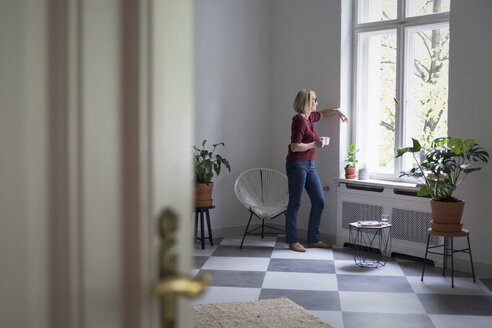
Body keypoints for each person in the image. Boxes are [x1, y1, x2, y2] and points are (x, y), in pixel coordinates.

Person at [285, 89, 349, 252]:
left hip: (309, 164)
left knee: (319, 200)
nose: (317, 102)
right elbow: (294, 146)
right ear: (307, 102)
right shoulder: (299, 120)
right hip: (297, 164)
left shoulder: (310, 118)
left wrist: (337, 111)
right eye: (315, 100)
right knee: (295, 203)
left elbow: (322, 114)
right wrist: (315, 144)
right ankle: (292, 241)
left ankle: (313, 239)